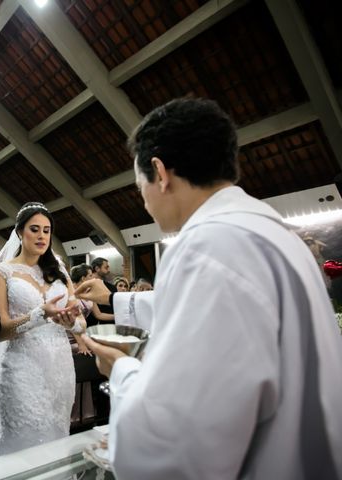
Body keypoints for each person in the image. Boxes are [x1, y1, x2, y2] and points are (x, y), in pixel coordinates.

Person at [75, 97, 342, 479]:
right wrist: (116, 298)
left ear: (160, 172)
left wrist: (121, 371)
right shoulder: (271, 232)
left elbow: (178, 443)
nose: (146, 204)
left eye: (140, 188)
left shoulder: (206, 246)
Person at [0, 202, 83, 461]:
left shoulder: (58, 271)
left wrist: (71, 322)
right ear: (20, 232)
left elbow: (80, 324)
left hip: (60, 369)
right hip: (22, 370)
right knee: (24, 444)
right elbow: (1, 331)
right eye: (34, 229)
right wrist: (40, 315)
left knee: (58, 438)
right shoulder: (4, 272)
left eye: (46, 231)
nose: (42, 236)